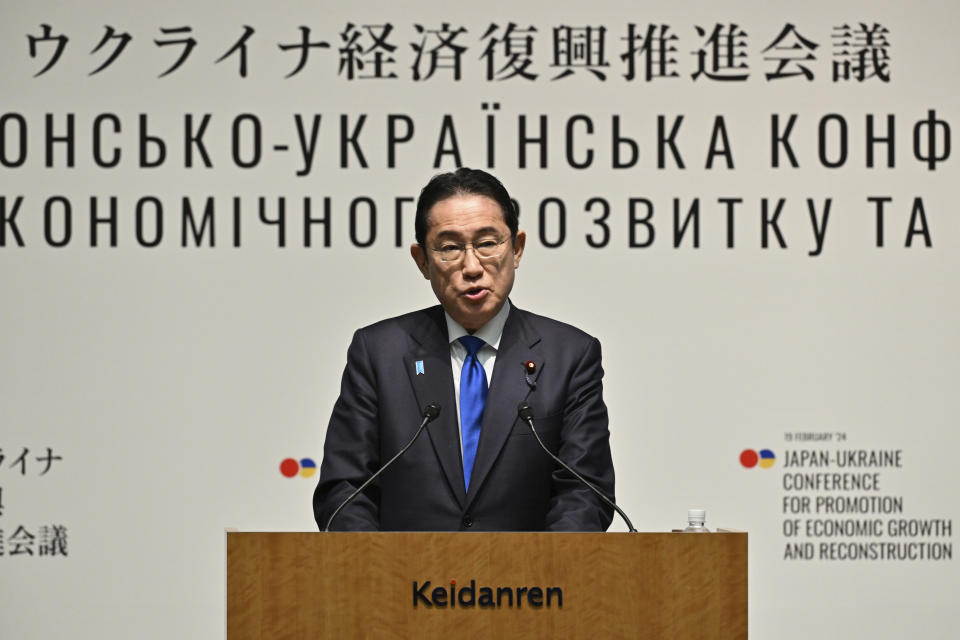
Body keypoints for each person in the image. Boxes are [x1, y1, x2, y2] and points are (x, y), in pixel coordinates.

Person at [313, 168, 615, 531]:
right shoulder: (379, 353)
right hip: (402, 582)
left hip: (530, 585)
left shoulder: (570, 355)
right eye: (450, 248)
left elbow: (584, 492)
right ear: (422, 260)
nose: (472, 267)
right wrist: (381, 575)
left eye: (488, 243)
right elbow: (344, 490)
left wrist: (541, 576)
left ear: (517, 249)